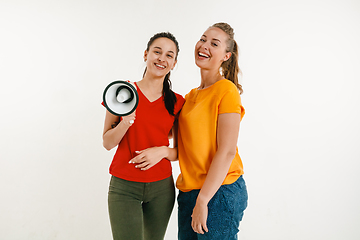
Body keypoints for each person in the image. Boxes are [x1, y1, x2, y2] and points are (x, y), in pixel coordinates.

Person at [102, 32, 185, 240]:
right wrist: (126, 121)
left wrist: (163, 151)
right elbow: (107, 142)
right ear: (146, 54)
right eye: (157, 52)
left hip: (161, 189)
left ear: (174, 63)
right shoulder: (122, 92)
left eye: (169, 55)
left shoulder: (177, 102)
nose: (161, 59)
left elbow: (183, 150)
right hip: (124, 187)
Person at [176, 22, 248, 240]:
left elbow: (226, 151)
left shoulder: (227, 90)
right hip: (189, 192)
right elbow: (180, 144)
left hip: (219, 192)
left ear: (226, 56)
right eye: (203, 39)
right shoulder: (190, 97)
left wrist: (203, 200)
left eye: (214, 44)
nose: (204, 45)